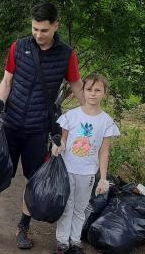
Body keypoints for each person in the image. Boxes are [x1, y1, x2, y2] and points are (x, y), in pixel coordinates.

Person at [0, 2, 84, 249]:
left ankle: (24, 226)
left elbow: (77, 87)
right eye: (34, 29)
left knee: (33, 178)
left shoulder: (67, 54)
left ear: (55, 26)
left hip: (39, 128)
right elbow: (7, 81)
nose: (38, 34)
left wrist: (92, 115)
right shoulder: (19, 47)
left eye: (43, 30)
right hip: (10, 123)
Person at [51, 73, 120, 254]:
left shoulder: (106, 122)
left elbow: (103, 151)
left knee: (80, 208)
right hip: (67, 169)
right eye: (89, 89)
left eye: (98, 90)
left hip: (88, 172)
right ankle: (62, 243)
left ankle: (75, 243)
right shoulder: (71, 116)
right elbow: (63, 142)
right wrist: (57, 146)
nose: (93, 94)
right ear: (82, 91)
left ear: (104, 93)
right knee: (66, 206)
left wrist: (103, 178)